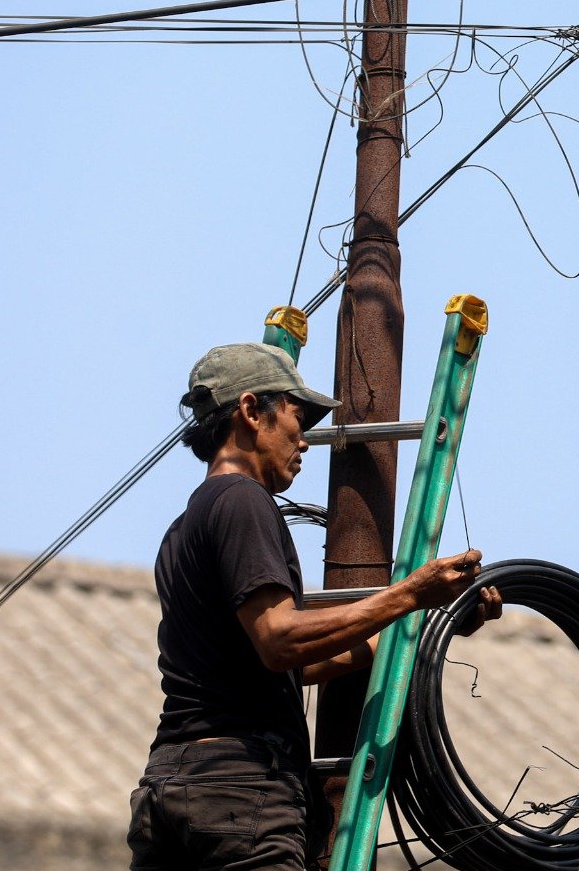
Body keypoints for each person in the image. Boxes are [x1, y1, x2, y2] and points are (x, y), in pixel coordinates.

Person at [127, 342, 502, 870]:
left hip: (170, 781)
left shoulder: (184, 526)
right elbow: (282, 641)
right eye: (298, 418)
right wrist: (409, 593)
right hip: (240, 790)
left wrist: (425, 620)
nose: (304, 439)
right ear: (252, 411)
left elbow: (291, 663)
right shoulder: (243, 501)